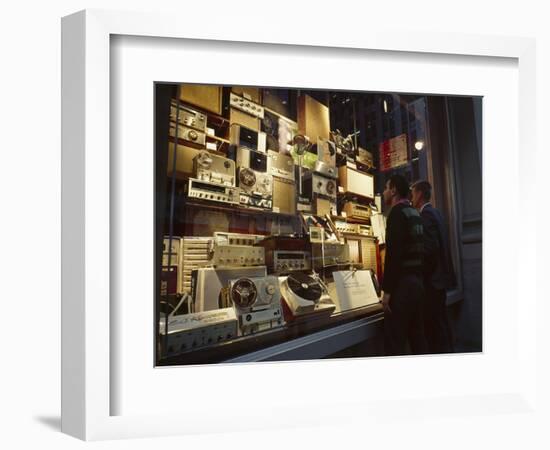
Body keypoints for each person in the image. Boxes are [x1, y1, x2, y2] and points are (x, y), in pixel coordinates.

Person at [381, 175, 427, 356]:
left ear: (393, 190)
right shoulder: (415, 212)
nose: (383, 192)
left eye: (386, 188)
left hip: (402, 287)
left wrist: (387, 292)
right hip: (417, 284)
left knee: (395, 343)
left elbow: (394, 255)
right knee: (417, 338)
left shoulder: (396, 214)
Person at [411, 180, 456, 353]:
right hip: (441, 280)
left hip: (432, 283)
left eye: (413, 193)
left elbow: (430, 248)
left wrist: (419, 273)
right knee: (442, 325)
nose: (412, 197)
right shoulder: (436, 213)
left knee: (434, 330)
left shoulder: (425, 215)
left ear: (420, 194)